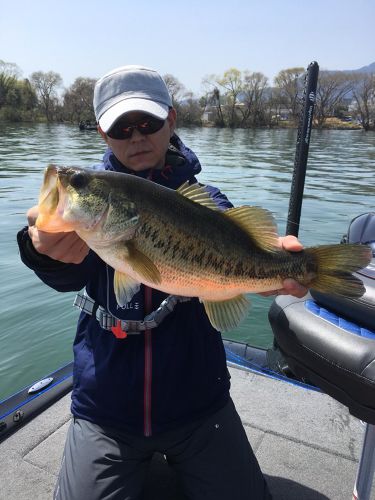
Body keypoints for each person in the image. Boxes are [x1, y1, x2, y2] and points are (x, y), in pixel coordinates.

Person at [18, 65, 307, 500]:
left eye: (148, 123)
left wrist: (276, 273)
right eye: (121, 127)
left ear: (171, 120)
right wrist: (37, 247)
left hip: (199, 404)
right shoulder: (94, 214)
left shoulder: (208, 201)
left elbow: (240, 248)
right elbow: (67, 271)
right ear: (103, 132)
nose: (136, 137)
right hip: (106, 409)